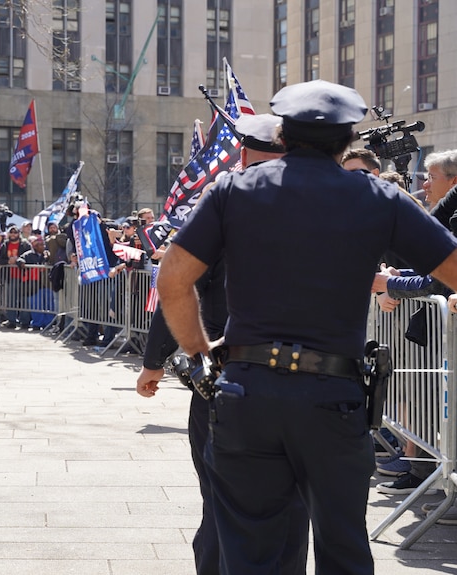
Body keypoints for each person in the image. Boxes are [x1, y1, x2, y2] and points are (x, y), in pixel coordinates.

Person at [157, 79, 457, 574]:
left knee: (252, 552)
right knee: (343, 548)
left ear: (282, 133)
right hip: (332, 398)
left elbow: (172, 281)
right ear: (346, 141)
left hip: (247, 391)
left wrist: (202, 352)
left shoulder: (233, 190)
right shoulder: (379, 198)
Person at [137, 114, 308, 575]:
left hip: (225, 375)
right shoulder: (320, 206)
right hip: (306, 381)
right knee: (293, 503)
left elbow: (175, 286)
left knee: (220, 495)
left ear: (243, 154)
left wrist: (155, 362)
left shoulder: (223, 202)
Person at [0, 225, 31, 329]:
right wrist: (8, 261)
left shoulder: (25, 244)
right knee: (10, 299)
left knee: (24, 299)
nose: (13, 234)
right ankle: (11, 320)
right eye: (11, 232)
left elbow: (30, 257)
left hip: (23, 276)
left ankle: (25, 321)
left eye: (15, 232)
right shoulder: (5, 245)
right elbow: (0, 260)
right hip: (9, 276)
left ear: (19, 234)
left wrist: (19, 260)